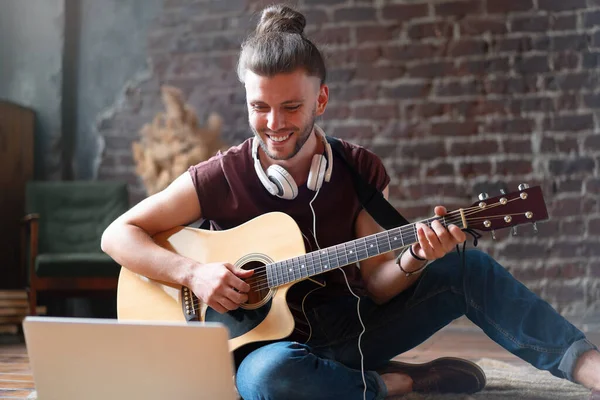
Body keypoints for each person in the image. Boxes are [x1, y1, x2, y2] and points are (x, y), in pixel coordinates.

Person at [101, 4, 600, 399]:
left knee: (470, 267)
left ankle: (586, 366)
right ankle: (398, 383)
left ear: (320, 101)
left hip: (355, 330)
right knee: (268, 381)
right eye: (260, 107)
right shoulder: (220, 176)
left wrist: (418, 255)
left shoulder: (358, 169)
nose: (274, 124)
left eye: (291, 107)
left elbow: (381, 289)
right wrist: (193, 275)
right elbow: (117, 234)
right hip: (273, 352)